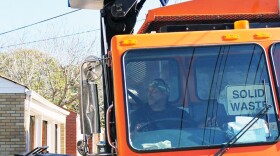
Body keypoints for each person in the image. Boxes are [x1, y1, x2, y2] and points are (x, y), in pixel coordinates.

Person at [130, 78, 195, 133]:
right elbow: (129, 136)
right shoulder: (138, 115)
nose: (149, 95)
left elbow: (192, 131)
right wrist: (136, 133)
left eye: (154, 92)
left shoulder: (180, 114)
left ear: (165, 94)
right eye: (148, 92)